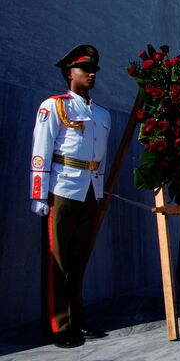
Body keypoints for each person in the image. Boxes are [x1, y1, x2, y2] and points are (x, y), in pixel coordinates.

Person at [30, 44, 110, 348]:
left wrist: (100, 191)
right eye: (84, 69)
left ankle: (78, 318)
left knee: (79, 260)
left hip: (89, 191)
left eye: (94, 70)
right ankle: (59, 324)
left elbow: (100, 158)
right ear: (69, 72)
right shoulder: (54, 106)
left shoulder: (101, 114)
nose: (90, 74)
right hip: (61, 189)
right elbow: (41, 150)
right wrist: (38, 194)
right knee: (58, 261)